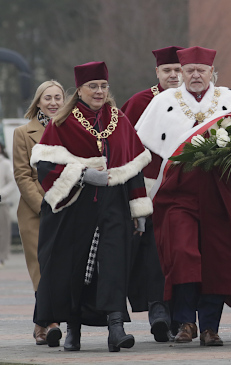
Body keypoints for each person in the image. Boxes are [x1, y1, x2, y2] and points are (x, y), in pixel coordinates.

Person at [135, 46, 231, 346]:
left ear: (212, 72)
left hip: (221, 193)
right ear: (181, 72)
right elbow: (149, 154)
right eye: (189, 69)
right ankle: (185, 322)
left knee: (216, 259)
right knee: (182, 254)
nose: (195, 74)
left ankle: (210, 326)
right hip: (176, 194)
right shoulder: (162, 102)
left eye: (201, 69)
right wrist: (144, 196)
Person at [31, 61, 153, 352]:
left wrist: (139, 210)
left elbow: (134, 165)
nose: (99, 91)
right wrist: (82, 173)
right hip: (77, 205)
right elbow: (45, 167)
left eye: (103, 86)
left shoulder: (120, 120)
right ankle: (73, 329)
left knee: (113, 263)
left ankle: (116, 327)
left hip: (114, 203)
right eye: (93, 87)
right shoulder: (63, 121)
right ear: (80, 90)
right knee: (75, 267)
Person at [121, 46, 184, 342]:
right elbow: (122, 146)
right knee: (153, 253)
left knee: (180, 252)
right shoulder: (139, 102)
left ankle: (180, 315)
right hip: (148, 190)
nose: (173, 75)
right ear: (157, 72)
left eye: (178, 70)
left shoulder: (197, 103)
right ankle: (158, 309)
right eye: (167, 70)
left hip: (185, 189)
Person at [13, 80, 65, 346]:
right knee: (40, 268)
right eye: (48, 98)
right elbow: (22, 175)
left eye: (58, 97)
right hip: (36, 211)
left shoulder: (72, 130)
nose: (53, 102)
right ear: (38, 101)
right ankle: (51, 321)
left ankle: (40, 323)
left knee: (58, 267)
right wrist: (46, 204)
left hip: (68, 209)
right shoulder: (23, 133)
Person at [0, 142, 17, 266]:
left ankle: (1, 257)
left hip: (2, 203)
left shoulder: (5, 164)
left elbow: (12, 183)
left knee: (3, 232)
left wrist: (2, 194)